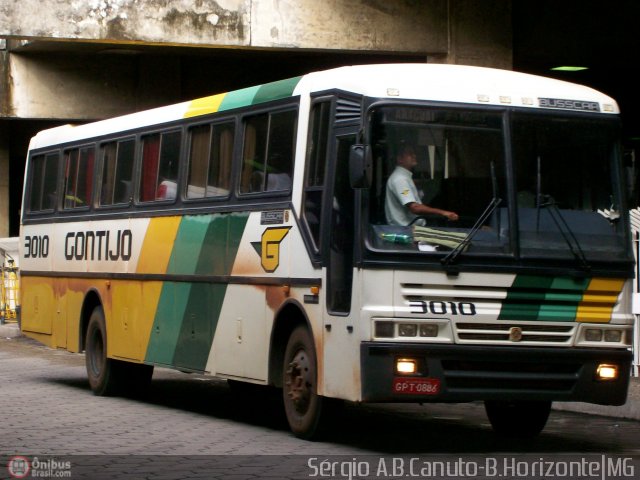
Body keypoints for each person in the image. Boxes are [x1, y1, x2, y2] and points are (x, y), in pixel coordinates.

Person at [385, 143, 459, 226]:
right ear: (400, 159)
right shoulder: (400, 180)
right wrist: (443, 212)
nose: (414, 156)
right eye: (409, 154)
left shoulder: (404, 177)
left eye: (414, 153)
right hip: (406, 231)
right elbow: (414, 208)